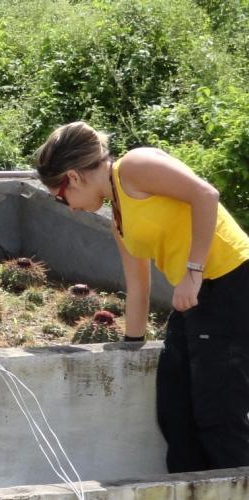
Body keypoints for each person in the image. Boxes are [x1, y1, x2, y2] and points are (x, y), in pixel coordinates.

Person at [33, 121, 249, 473]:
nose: (68, 207)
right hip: (198, 296)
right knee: (175, 412)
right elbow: (139, 287)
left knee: (218, 415)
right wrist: (129, 347)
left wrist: (193, 272)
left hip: (230, 281)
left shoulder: (135, 166)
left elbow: (205, 195)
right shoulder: (118, 216)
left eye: (60, 197)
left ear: (73, 177)